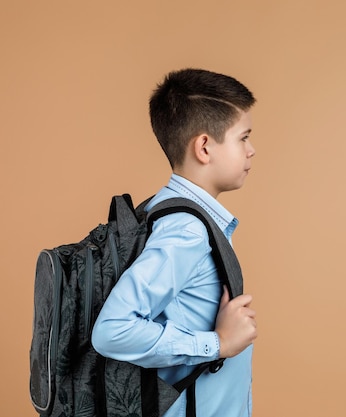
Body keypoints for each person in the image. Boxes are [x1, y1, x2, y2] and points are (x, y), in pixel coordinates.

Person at [92, 68, 258, 417]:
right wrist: (219, 343)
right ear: (204, 146)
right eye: (243, 137)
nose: (251, 150)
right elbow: (112, 331)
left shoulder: (164, 210)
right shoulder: (187, 231)